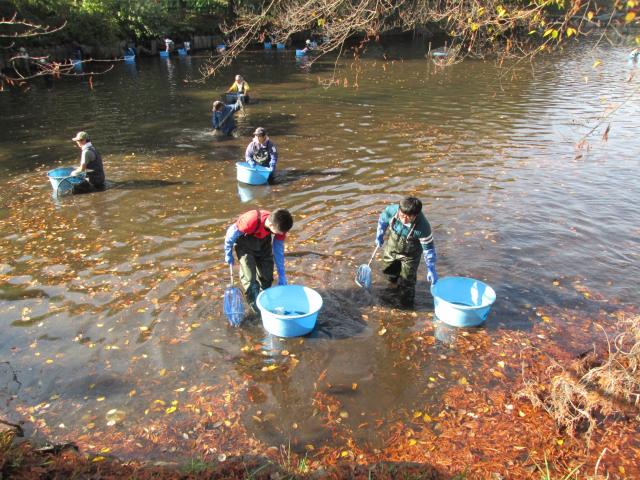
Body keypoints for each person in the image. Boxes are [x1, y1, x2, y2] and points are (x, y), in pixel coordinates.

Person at [224, 209, 294, 314]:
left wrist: (282, 274)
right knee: (250, 280)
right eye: (279, 232)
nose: (281, 234)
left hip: (264, 244)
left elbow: (278, 251)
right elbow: (231, 234)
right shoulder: (250, 221)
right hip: (245, 245)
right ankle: (257, 309)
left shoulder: (280, 226)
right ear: (270, 224)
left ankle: (264, 300)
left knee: (267, 277)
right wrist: (227, 252)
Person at [375, 196, 437, 305]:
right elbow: (383, 220)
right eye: (402, 215)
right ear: (399, 210)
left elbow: (429, 250)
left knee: (407, 282)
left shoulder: (423, 227)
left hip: (410, 256)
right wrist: (379, 235)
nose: (404, 220)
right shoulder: (392, 210)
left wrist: (431, 268)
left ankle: (406, 306)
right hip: (392, 248)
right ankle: (391, 290)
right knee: (388, 272)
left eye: (409, 218)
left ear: (416, 216)